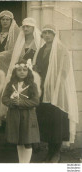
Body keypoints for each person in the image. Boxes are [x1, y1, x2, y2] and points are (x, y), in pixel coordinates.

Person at [34, 24, 79, 163]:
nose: (47, 35)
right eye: (45, 33)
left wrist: (56, 87)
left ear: (54, 35)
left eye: (50, 33)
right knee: (47, 122)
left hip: (57, 91)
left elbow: (64, 71)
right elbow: (37, 67)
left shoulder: (61, 49)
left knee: (57, 121)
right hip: (44, 92)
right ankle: (49, 151)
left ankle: (56, 153)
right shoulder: (41, 50)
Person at [2, 59, 40, 163]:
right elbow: (4, 98)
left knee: (27, 141)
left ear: (28, 72)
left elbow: (35, 101)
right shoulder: (11, 84)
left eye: (24, 70)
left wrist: (21, 103)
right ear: (15, 71)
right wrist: (12, 103)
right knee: (18, 141)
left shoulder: (32, 85)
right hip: (14, 115)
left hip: (27, 116)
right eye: (19, 70)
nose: (22, 72)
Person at [6, 17, 42, 84]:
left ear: (33, 28)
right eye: (24, 27)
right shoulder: (20, 41)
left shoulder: (39, 41)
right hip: (21, 72)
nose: (25, 29)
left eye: (28, 27)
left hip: (36, 71)